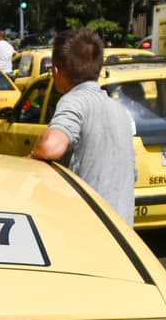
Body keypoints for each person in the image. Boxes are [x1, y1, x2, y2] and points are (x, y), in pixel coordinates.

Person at [28, 29, 136, 224]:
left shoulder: (75, 101)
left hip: (89, 232)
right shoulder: (119, 111)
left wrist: (32, 156)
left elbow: (50, 146)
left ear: (56, 71)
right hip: (122, 235)